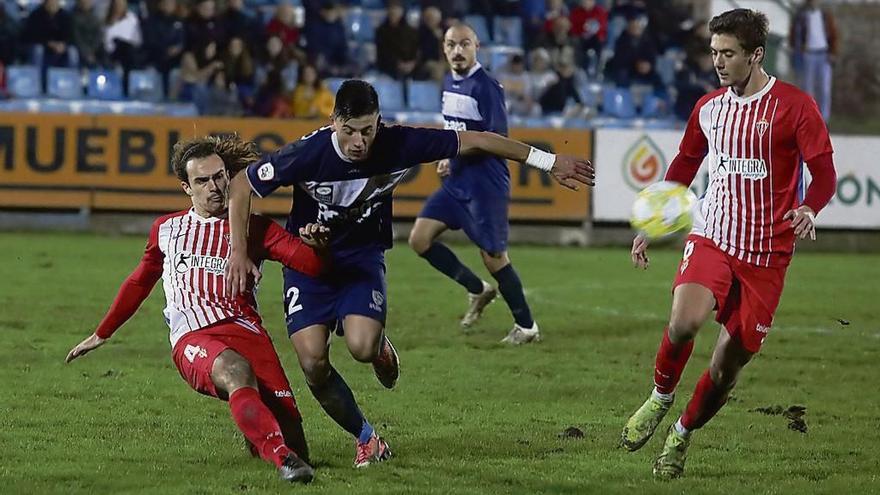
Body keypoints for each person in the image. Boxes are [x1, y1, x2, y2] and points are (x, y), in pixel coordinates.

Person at [224, 79, 594, 467]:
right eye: (348, 131)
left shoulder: (400, 143)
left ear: (378, 122)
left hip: (361, 257)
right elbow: (241, 185)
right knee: (313, 364)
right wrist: (237, 250)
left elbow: (480, 139)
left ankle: (378, 345)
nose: (358, 141)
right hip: (308, 263)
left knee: (362, 348)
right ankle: (367, 439)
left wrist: (550, 161)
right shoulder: (308, 153)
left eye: (367, 130)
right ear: (333, 121)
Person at [619, 9, 837, 479]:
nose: (718, 62)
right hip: (713, 234)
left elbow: (824, 173)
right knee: (684, 321)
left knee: (724, 370)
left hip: (767, 256)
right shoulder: (709, 108)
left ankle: (681, 432)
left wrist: (809, 208)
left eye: (729, 54)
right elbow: (684, 163)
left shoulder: (795, 106)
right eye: (714, 52)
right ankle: (659, 398)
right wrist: (653, 225)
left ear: (756, 55)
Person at [65, 135, 331, 484]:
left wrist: (320, 247)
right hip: (194, 335)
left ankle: (269, 440)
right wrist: (102, 333)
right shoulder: (166, 229)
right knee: (236, 372)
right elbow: (139, 282)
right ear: (186, 188)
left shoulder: (254, 228)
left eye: (220, 176)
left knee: (294, 436)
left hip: (246, 328)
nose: (214, 187)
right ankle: (282, 459)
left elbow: (310, 266)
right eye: (202, 181)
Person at [409, 22, 543, 344]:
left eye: (464, 44)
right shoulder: (448, 83)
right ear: (444, 49)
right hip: (457, 181)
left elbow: (494, 140)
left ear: (476, 47)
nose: (458, 51)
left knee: (494, 257)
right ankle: (477, 289)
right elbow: (454, 130)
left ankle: (527, 327)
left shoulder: (486, 87)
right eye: (452, 44)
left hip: (485, 184)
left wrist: (452, 151)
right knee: (419, 239)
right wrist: (448, 156)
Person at [789, 0, 837, 120]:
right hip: (808, 54)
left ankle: (824, 119)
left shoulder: (825, 16)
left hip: (824, 54)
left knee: (825, 89)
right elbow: (793, 35)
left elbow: (833, 34)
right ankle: (809, 118)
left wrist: (833, 52)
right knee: (807, 89)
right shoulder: (801, 16)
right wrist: (796, 51)